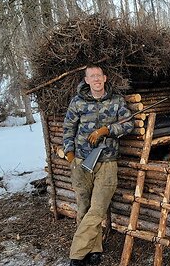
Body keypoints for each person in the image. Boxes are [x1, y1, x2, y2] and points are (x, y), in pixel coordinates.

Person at [63, 64, 134, 266]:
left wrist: (107, 130)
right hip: (81, 162)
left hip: (107, 161)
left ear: (105, 78)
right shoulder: (77, 102)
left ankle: (76, 254)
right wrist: (70, 155)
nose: (95, 79)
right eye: (91, 76)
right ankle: (94, 250)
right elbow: (68, 128)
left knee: (97, 209)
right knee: (84, 207)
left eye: (98, 75)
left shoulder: (116, 100)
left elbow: (129, 124)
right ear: (86, 80)